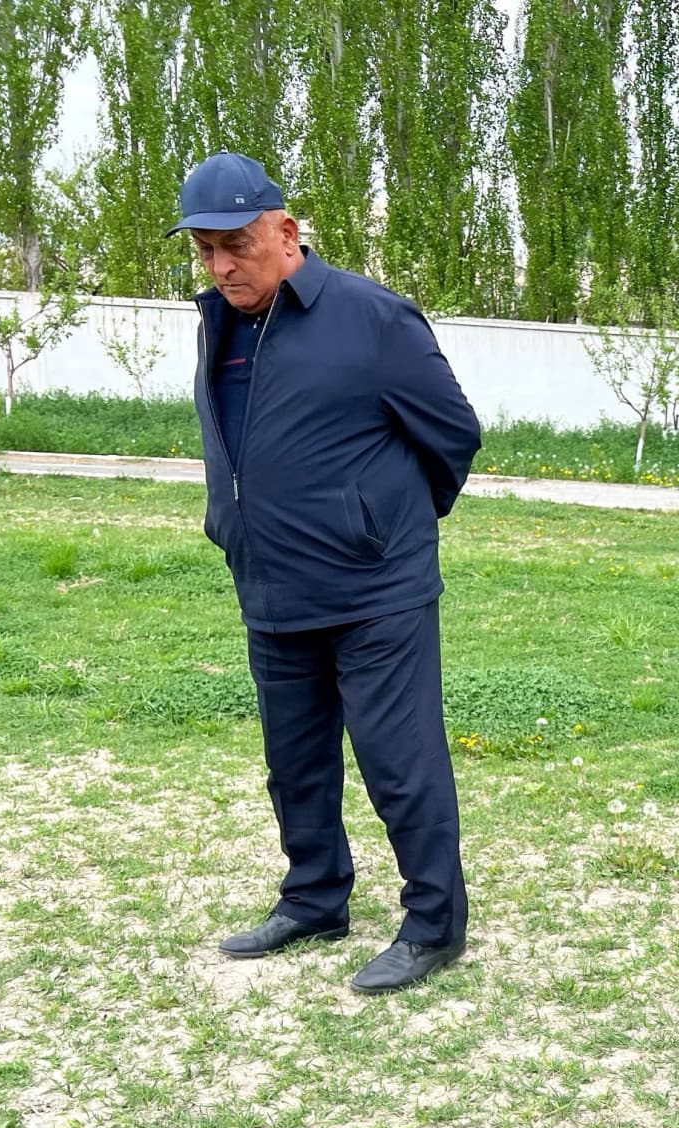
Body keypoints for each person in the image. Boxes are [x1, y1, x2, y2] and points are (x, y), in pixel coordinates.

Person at [172, 150, 483, 994]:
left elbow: (454, 433)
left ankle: (434, 925)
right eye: (204, 250)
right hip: (271, 586)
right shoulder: (222, 321)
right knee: (295, 761)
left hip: (375, 592)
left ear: (285, 230)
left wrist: (384, 526)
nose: (221, 265)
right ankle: (314, 897)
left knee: (400, 762)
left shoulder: (370, 317)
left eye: (235, 244)